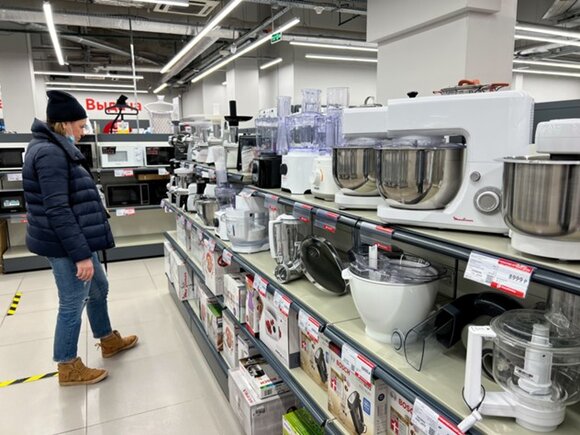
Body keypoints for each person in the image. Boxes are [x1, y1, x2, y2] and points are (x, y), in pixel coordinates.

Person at [22, 91, 138, 386]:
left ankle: (107, 339)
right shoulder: (50, 153)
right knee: (73, 301)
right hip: (65, 244)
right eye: (81, 126)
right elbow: (58, 209)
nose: (84, 131)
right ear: (64, 124)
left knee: (98, 287)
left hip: (76, 239)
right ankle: (67, 365)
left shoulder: (56, 147)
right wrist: (80, 255)